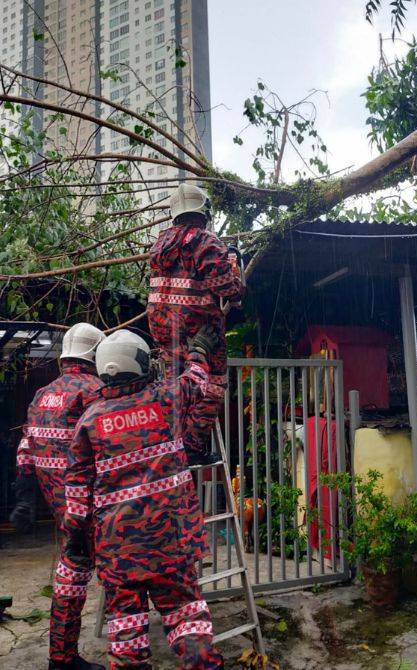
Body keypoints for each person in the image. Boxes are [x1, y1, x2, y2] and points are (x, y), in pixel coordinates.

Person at [62, 328, 223, 669]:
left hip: (119, 551)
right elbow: (196, 380)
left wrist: (75, 534)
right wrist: (199, 349)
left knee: (127, 634)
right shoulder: (166, 399)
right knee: (186, 618)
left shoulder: (89, 421)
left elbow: (77, 494)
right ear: (140, 366)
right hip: (172, 541)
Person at [10, 322, 107, 670]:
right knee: (126, 576)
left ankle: (61, 657)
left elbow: (25, 447)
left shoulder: (41, 395)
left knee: (69, 578)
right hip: (96, 506)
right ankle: (131, 653)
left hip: (59, 506)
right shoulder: (96, 391)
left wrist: (26, 495)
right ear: (96, 355)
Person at [147, 183, 243, 463]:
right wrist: (234, 266)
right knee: (211, 386)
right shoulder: (207, 243)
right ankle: (192, 447)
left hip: (165, 331)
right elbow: (230, 291)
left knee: (175, 389)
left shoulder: (159, 244)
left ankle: (172, 445)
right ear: (204, 211)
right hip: (199, 334)